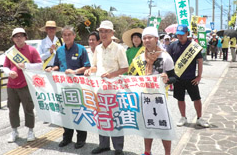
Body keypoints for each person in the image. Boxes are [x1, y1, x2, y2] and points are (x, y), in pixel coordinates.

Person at [84, 20, 128, 155]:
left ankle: (118, 148)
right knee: (102, 117)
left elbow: (125, 68)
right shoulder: (97, 48)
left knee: (115, 118)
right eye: (101, 31)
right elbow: (95, 66)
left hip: (114, 90)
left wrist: (112, 74)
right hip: (100, 90)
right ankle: (103, 145)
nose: (103, 34)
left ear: (112, 33)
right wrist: (90, 70)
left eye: (106, 31)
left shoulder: (119, 48)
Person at [130, 27, 176, 155]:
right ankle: (147, 152)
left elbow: (175, 78)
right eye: (144, 38)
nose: (146, 40)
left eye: (149, 37)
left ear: (156, 39)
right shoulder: (140, 58)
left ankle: (167, 153)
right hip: (144, 97)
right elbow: (134, 77)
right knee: (147, 126)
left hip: (160, 98)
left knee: (164, 127)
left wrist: (167, 79)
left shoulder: (165, 57)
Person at [45, 25, 90, 149]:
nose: (67, 37)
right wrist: (51, 68)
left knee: (79, 112)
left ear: (74, 36)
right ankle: (67, 137)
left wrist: (75, 71)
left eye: (69, 34)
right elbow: (57, 66)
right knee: (66, 113)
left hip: (78, 87)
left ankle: (81, 139)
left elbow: (87, 67)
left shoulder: (81, 49)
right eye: (64, 35)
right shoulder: (59, 50)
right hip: (63, 87)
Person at [3, 28, 42, 143]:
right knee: (12, 110)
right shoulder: (10, 52)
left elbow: (40, 65)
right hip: (11, 85)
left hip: (26, 85)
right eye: (16, 36)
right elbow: (5, 66)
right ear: (13, 39)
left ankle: (30, 131)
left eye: (21, 35)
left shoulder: (32, 50)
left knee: (28, 108)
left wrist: (26, 65)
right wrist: (9, 72)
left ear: (25, 37)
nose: (18, 38)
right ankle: (14, 131)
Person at [167, 24, 209, 128]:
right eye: (178, 34)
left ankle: (199, 118)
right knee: (180, 99)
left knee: (196, 99)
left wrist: (199, 76)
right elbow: (168, 60)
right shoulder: (172, 45)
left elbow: (200, 61)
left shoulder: (193, 46)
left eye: (182, 34)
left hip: (191, 78)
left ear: (187, 33)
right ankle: (183, 117)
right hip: (178, 78)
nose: (180, 36)